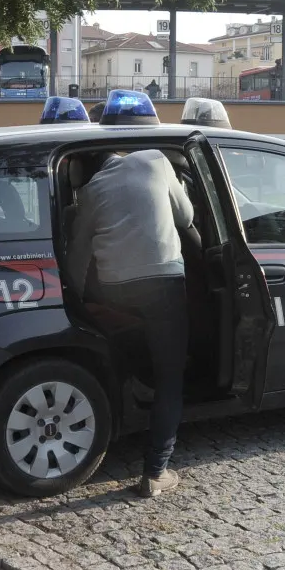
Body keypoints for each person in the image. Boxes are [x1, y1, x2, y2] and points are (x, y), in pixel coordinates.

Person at [67, 149, 196, 497]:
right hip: (164, 283)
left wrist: (76, 302)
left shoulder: (91, 190)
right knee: (171, 376)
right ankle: (156, 473)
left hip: (115, 288)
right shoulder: (155, 160)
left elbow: (79, 251)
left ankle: (139, 383)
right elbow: (186, 217)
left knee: (128, 332)